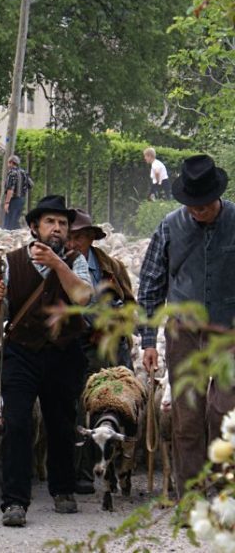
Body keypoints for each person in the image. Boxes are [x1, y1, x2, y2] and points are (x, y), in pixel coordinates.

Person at [0, 195, 92, 527]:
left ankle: (62, 489)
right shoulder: (10, 261)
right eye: (50, 222)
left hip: (63, 351)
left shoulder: (75, 261)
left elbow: (84, 297)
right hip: (22, 352)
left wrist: (58, 264)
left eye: (62, 224)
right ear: (34, 227)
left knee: (61, 422)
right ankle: (15, 501)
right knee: (17, 423)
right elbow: (0, 314)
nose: (58, 229)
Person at [139, 154, 235, 499]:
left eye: (204, 205)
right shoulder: (170, 225)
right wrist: (148, 341)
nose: (198, 211)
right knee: (187, 416)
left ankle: (223, 489)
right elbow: (151, 283)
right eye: (192, 206)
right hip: (183, 331)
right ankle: (191, 493)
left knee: (224, 410)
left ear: (217, 197)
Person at [67, 208, 136, 494]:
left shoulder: (113, 268)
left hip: (113, 349)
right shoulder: (62, 266)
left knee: (119, 405)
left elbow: (131, 304)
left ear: (91, 238)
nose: (73, 244)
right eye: (69, 238)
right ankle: (82, 472)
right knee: (80, 407)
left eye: (79, 237)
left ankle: (120, 468)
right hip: (81, 347)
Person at [2, 155, 33, 230]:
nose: (8, 165)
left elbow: (10, 189)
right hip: (21, 199)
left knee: (8, 224)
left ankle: (8, 239)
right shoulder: (24, 172)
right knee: (15, 220)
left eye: (8, 163)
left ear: (11, 163)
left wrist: (7, 203)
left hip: (13, 200)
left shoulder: (12, 173)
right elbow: (31, 184)